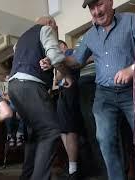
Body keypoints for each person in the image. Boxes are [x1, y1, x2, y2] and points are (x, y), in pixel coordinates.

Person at [40, 0, 135, 179]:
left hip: (133, 91)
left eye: (100, 4)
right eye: (91, 8)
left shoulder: (132, 20)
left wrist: (132, 69)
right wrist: (56, 59)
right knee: (105, 139)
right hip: (104, 95)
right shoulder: (89, 36)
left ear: (110, 2)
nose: (96, 11)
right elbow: (77, 61)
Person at [8, 16, 72, 180]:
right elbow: (56, 57)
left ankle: (27, 176)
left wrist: (48, 62)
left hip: (14, 87)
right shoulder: (46, 29)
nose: (55, 31)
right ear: (50, 23)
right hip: (30, 85)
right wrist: (66, 75)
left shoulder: (21, 39)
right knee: (51, 131)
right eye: (56, 27)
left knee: (35, 133)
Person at [55, 40, 82, 180]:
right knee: (62, 130)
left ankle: (73, 169)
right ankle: (72, 167)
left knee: (70, 128)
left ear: (63, 46)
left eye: (57, 47)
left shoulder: (71, 52)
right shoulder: (59, 62)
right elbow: (57, 79)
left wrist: (62, 66)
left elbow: (74, 67)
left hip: (71, 92)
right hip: (62, 94)